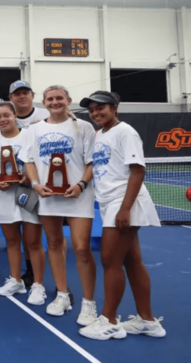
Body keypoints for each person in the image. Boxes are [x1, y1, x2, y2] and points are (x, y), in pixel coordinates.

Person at [78, 91, 165, 340]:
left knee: (110, 260)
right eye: (91, 110)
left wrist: (125, 208)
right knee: (131, 260)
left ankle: (109, 320)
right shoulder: (100, 134)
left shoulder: (125, 131)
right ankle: (147, 321)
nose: (95, 113)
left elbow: (137, 171)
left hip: (123, 202)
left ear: (115, 107)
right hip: (109, 203)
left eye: (100, 108)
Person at [19, 85, 98, 325]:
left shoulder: (83, 127)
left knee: (82, 248)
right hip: (47, 197)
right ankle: (62, 294)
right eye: (50, 99)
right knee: (53, 243)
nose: (55, 102)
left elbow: (92, 162)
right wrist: (34, 184)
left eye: (59, 98)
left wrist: (82, 185)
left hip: (78, 196)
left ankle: (89, 303)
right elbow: (29, 160)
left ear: (68, 100)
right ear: (44, 102)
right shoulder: (35, 129)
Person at [0, 102, 47, 303]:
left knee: (33, 242)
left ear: (15, 114)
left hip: (27, 194)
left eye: (6, 115)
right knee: (12, 241)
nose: (3, 120)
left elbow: (37, 162)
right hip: (4, 196)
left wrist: (28, 177)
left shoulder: (29, 135)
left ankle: (38, 285)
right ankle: (16, 279)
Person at [8, 80, 50, 288]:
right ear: (11, 98)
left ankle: (37, 274)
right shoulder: (6, 117)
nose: (21, 96)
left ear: (32, 95)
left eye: (25, 93)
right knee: (19, 229)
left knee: (35, 231)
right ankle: (28, 270)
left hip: (38, 183)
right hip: (12, 184)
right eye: (17, 94)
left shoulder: (45, 115)